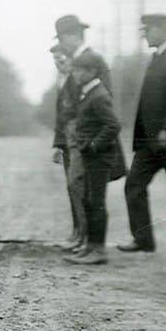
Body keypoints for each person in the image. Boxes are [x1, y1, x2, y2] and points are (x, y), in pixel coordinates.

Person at [119, 13, 166, 259]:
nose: (144, 34)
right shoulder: (158, 58)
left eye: (147, 29)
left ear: (162, 29)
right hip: (150, 142)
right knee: (134, 185)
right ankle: (143, 240)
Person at [52, 13, 111, 253]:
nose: (62, 46)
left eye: (63, 39)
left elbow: (102, 101)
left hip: (86, 136)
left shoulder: (91, 61)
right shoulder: (75, 63)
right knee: (75, 186)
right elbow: (64, 108)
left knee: (84, 188)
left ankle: (88, 240)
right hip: (74, 135)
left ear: (73, 36)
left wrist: (86, 137)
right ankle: (81, 236)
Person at [64, 51, 126, 265]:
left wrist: (94, 145)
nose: (75, 74)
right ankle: (91, 246)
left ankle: (99, 250)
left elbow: (114, 125)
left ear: (91, 71)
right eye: (74, 70)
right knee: (90, 200)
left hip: (99, 157)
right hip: (92, 156)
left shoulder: (99, 95)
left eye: (79, 70)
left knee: (96, 202)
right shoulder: (88, 92)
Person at [48, 43, 87, 249]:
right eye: (55, 60)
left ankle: (83, 233)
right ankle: (77, 231)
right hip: (67, 142)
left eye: (61, 59)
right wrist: (58, 144)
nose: (58, 63)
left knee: (79, 187)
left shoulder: (78, 81)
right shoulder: (61, 81)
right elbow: (60, 118)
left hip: (79, 141)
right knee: (71, 187)